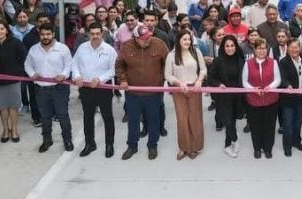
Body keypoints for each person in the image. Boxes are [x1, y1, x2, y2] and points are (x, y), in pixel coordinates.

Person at [116, 24, 170, 160]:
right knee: (133, 120)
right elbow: (119, 65)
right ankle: (132, 146)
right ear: (135, 38)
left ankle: (152, 145)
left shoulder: (159, 44)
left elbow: (168, 63)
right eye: (143, 39)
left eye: (148, 37)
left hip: (153, 92)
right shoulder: (126, 47)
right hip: (133, 93)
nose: (147, 41)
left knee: (154, 119)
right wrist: (123, 80)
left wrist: (163, 80)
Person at [25, 23, 74, 153]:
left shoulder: (62, 49)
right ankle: (47, 140)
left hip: (59, 88)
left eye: (48, 34)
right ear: (39, 35)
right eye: (42, 34)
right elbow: (27, 65)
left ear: (53, 34)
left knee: (63, 115)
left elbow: (69, 65)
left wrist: (63, 75)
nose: (45, 37)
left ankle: (67, 139)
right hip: (41, 89)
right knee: (45, 117)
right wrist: (32, 74)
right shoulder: (33, 50)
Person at [72, 22, 117, 158]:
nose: (95, 36)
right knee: (88, 116)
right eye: (92, 34)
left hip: (103, 88)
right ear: (88, 34)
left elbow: (113, 70)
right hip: (86, 88)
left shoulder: (109, 50)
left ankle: (109, 145)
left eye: (98, 34)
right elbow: (74, 64)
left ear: (102, 34)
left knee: (107, 117)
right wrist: (77, 76)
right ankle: (90, 143)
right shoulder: (82, 48)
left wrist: (100, 79)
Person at [164, 30, 206, 160]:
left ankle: (194, 147)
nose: (187, 42)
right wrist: (178, 82)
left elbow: (203, 69)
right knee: (182, 119)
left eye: (189, 39)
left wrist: (199, 80)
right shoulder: (171, 55)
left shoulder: (196, 52)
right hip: (179, 91)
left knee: (195, 118)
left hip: (194, 89)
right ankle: (183, 147)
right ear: (178, 41)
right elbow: (168, 75)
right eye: (184, 39)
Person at [242, 38, 281, 159]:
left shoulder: (273, 62)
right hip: (253, 101)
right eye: (259, 48)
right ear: (255, 49)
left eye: (264, 48)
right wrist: (253, 89)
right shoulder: (248, 63)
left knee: (269, 126)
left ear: (267, 49)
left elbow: (278, 79)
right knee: (255, 126)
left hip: (271, 99)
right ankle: (257, 148)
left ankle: (268, 148)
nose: (261, 51)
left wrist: (270, 87)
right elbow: (244, 81)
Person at [0, 20, 27, 145]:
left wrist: (18, 71)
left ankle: (14, 129)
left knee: (13, 106)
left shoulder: (15, 42)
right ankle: (6, 130)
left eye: (2, 28)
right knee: (2, 107)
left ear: (7, 30)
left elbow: (23, 58)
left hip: (13, 80)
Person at [209, 35, 245, 158]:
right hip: (224, 98)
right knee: (228, 121)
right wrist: (219, 84)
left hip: (237, 97)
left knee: (233, 120)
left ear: (236, 46)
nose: (230, 48)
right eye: (227, 46)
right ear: (223, 47)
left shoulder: (240, 60)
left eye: (232, 46)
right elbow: (211, 78)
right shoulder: (218, 60)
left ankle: (234, 138)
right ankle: (227, 145)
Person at [278, 39, 302, 157]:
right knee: (288, 123)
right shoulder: (283, 62)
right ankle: (287, 146)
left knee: (298, 122)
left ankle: (296, 141)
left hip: (301, 98)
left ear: (300, 48)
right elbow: (282, 78)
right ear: (287, 48)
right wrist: (287, 85)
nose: (294, 49)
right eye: (291, 47)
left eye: (296, 47)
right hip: (288, 99)